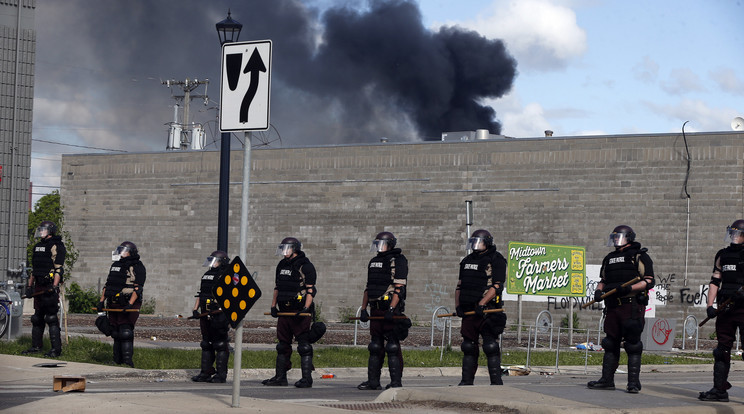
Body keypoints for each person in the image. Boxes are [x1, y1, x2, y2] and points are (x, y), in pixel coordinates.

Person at [588, 225, 654, 393]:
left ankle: (633, 383)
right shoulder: (609, 258)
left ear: (629, 238)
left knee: (632, 345)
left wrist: (630, 289)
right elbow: (603, 279)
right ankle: (607, 380)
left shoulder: (640, 256)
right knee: (610, 343)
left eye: (620, 237)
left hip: (631, 306)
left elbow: (649, 281)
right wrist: (598, 290)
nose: (617, 241)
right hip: (612, 307)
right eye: (615, 237)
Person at [357, 231, 410, 390]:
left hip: (389, 309)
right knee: (375, 346)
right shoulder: (374, 261)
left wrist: (392, 309)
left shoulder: (398, 261)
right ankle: (373, 381)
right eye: (378, 244)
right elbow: (368, 287)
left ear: (390, 244)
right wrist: (364, 309)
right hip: (375, 309)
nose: (379, 247)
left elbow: (399, 289)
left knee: (392, 346)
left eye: (383, 244)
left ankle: (395, 382)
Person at [454, 229, 507, 386]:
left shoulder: (496, 260)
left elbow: (497, 286)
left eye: (479, 242)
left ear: (488, 242)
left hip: (487, 311)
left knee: (490, 346)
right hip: (469, 310)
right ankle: (466, 381)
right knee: (468, 346)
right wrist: (458, 306)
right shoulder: (466, 260)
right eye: (474, 242)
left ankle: (496, 383)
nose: (475, 246)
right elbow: (459, 286)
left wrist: (482, 303)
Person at [263, 237, 317, 388]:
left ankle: (307, 379)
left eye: (288, 248)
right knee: (282, 346)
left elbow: (310, 290)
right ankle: (280, 377)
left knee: (304, 346)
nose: (284, 252)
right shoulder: (281, 264)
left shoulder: (305, 266)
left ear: (295, 249)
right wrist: (273, 306)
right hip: (284, 312)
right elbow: (277, 287)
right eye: (283, 248)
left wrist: (306, 308)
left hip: (299, 312)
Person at [699, 220, 744, 402]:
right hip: (725, 307)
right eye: (732, 233)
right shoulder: (723, 255)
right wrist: (710, 306)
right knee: (721, 350)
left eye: (737, 233)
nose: (734, 237)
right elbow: (715, 281)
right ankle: (719, 390)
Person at [97, 241, 146, 367]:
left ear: (131, 252)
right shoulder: (115, 265)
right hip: (113, 302)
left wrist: (130, 304)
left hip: (128, 302)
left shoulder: (137, 266)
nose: (121, 253)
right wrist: (102, 301)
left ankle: (127, 362)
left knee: (125, 332)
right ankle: (116, 360)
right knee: (115, 332)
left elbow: (138, 288)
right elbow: (108, 285)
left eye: (125, 251)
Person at [22, 221, 66, 357]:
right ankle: (36, 346)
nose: (40, 232)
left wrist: (54, 285)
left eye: (43, 230)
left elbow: (58, 268)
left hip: (49, 286)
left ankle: (56, 350)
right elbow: (34, 270)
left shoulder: (56, 245)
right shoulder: (37, 246)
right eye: (40, 229)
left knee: (51, 318)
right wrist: (29, 286)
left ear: (50, 231)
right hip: (38, 286)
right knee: (37, 318)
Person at [191, 251, 231, 383]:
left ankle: (221, 375)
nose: (213, 264)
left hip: (219, 314)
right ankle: (205, 373)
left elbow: (229, 297)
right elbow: (201, 294)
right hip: (205, 313)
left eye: (216, 261)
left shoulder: (226, 276)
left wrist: (221, 309)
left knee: (220, 344)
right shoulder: (207, 275)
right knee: (206, 344)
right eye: (212, 261)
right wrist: (195, 309)